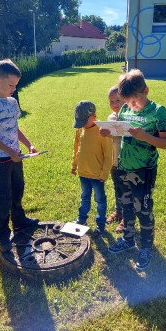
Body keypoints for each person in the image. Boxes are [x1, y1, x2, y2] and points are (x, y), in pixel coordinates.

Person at [101, 69, 166, 271]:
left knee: (144, 210)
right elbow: (122, 132)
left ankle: (146, 247)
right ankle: (128, 239)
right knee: (126, 207)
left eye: (135, 101)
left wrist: (145, 136)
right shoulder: (125, 110)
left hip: (144, 170)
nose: (131, 105)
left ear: (146, 91)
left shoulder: (158, 112)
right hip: (124, 167)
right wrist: (109, 132)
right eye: (127, 102)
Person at [0, 59, 39, 259]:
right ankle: (3, 236)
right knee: (3, 196)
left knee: (18, 188)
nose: (14, 89)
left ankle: (19, 221)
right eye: (11, 85)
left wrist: (28, 144)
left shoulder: (12, 102)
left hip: (16, 156)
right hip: (1, 160)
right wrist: (10, 153)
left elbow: (15, 128)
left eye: (16, 86)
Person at [71, 100, 112, 237]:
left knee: (100, 200)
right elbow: (77, 148)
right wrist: (74, 165)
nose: (81, 124)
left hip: (97, 176)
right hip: (83, 172)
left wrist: (104, 173)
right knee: (84, 197)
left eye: (84, 120)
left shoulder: (103, 132)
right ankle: (81, 219)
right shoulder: (80, 129)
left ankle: (100, 224)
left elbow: (108, 155)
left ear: (94, 116)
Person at [105, 85, 124, 233]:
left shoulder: (130, 116)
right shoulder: (110, 118)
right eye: (111, 102)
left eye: (118, 100)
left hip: (127, 162)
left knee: (127, 189)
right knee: (117, 187)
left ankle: (127, 217)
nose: (115, 104)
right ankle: (119, 211)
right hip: (114, 161)